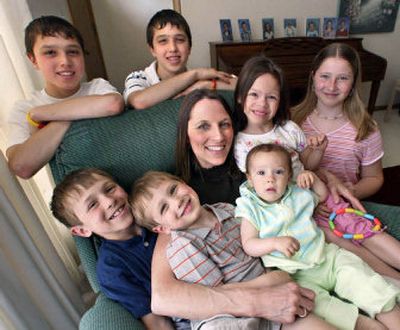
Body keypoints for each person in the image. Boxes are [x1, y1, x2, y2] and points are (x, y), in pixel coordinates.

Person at [236, 143, 400, 330]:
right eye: (261, 173)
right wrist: (274, 243)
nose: (270, 179)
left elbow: (321, 196)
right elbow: (249, 244)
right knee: (321, 307)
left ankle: (391, 314)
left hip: (328, 258)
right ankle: (365, 325)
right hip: (296, 275)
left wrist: (313, 179)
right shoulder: (249, 207)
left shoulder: (296, 193)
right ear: (249, 179)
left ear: (289, 176)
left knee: (364, 281)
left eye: (279, 172)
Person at [292, 43, 400, 280]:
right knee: (359, 256)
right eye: (325, 76)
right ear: (312, 78)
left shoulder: (366, 128)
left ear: (353, 84)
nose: (331, 86)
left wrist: (349, 192)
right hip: (307, 213)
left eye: (342, 78)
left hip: (346, 205)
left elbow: (375, 178)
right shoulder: (293, 121)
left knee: (374, 238)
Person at [131, 171, 288, 329]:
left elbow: (259, 247)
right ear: (162, 228)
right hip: (226, 313)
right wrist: (268, 281)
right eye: (164, 208)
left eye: (173, 190)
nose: (176, 201)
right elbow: (218, 296)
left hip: (267, 292)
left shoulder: (226, 209)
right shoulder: (183, 247)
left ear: (184, 183)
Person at [50, 168, 174, 329]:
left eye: (109, 189)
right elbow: (157, 322)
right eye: (93, 204)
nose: (109, 201)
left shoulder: (156, 211)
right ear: (82, 230)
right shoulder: (112, 269)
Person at [6, 15, 124, 179]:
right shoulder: (25, 109)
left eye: (73, 52)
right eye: (50, 52)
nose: (65, 61)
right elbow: (21, 167)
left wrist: (43, 115)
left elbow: (114, 104)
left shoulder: (97, 87)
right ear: (33, 59)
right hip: (77, 191)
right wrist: (62, 119)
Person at [233, 55, 323, 180]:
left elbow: (308, 165)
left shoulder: (289, 129)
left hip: (304, 195)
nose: (262, 103)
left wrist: (318, 151)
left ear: (280, 101)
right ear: (240, 97)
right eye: (254, 94)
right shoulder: (240, 143)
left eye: (271, 97)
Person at [124, 9, 236, 110]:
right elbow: (138, 101)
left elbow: (245, 84)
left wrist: (207, 85)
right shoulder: (138, 77)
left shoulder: (202, 79)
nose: (173, 48)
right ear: (152, 49)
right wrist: (195, 75)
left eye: (180, 40)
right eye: (163, 41)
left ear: (189, 47)